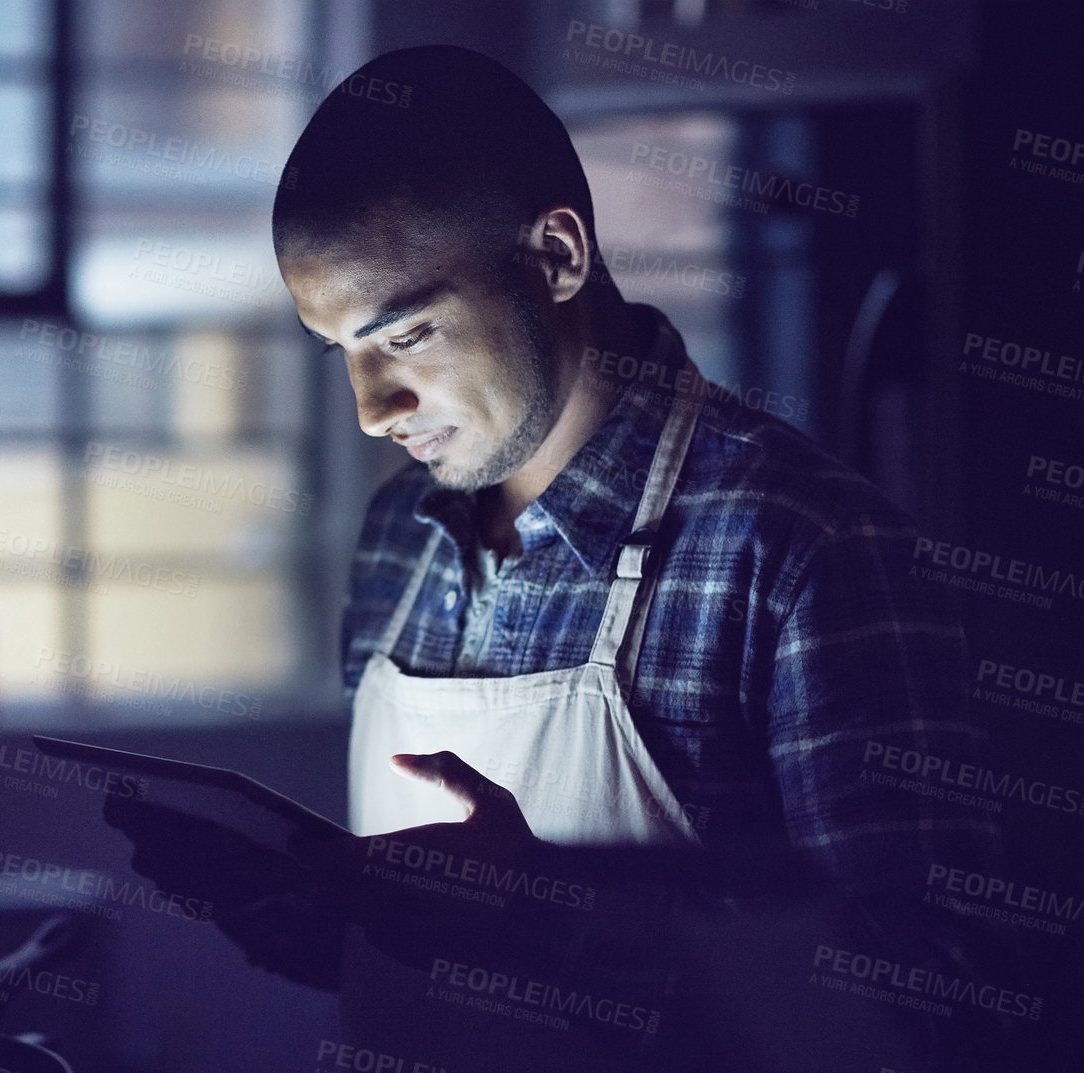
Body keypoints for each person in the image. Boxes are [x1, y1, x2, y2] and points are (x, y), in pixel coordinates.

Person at [107, 45, 1013, 1072]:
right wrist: (296, 905)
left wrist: (543, 919)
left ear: (555, 257)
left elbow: (939, 1003)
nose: (369, 411)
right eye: (342, 352)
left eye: (404, 336)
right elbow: (417, 969)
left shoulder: (799, 545)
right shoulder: (400, 538)